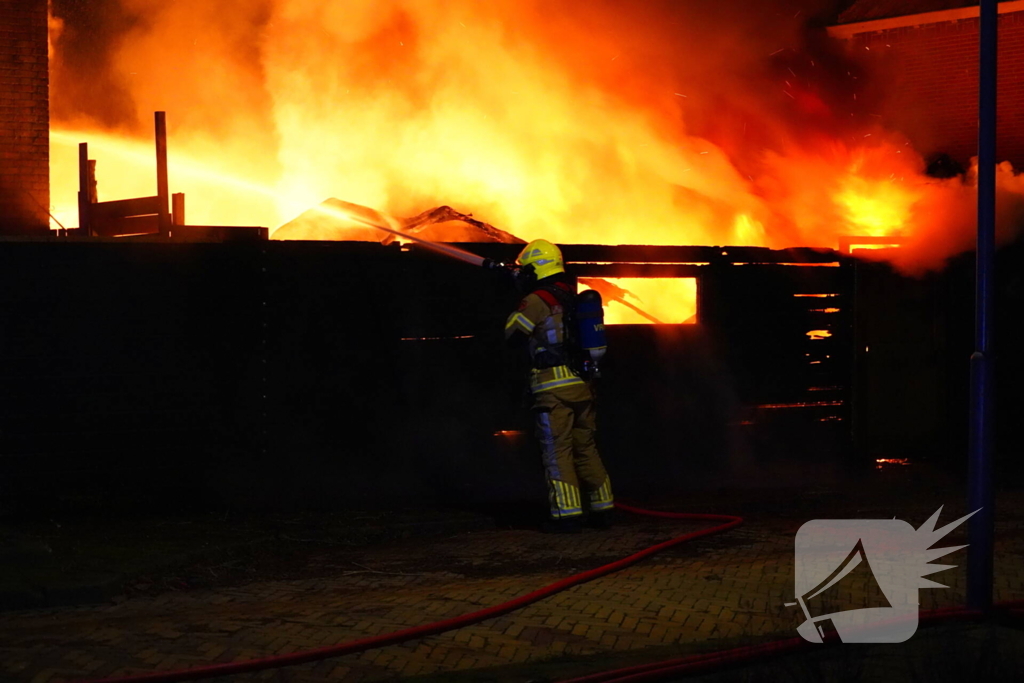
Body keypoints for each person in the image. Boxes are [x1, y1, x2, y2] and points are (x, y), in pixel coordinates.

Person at [503, 239, 614, 533]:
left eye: (526, 270)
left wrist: (514, 297)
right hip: (583, 384)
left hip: (553, 389)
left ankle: (567, 515)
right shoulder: (571, 295)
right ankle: (603, 509)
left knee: (557, 450)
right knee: (586, 447)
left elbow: (513, 334)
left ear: (537, 269)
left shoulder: (536, 300)